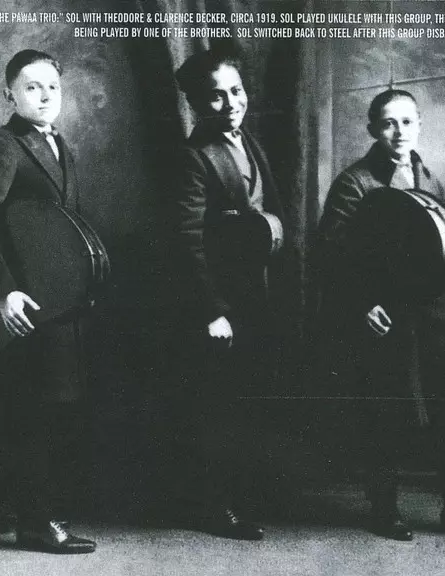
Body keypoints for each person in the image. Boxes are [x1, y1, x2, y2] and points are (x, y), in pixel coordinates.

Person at [317, 89, 445, 541]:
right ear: (373, 129)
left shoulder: (425, 176)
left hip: (435, 310)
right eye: (389, 123)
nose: (399, 132)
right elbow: (332, 256)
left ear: (418, 126)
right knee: (389, 410)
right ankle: (384, 509)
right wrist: (362, 305)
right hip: (388, 312)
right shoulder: (354, 183)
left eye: (408, 122)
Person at [0, 49, 100, 553]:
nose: (44, 96)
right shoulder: (2, 146)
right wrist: (2, 291)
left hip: (59, 302)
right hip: (25, 302)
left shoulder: (59, 145)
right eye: (32, 87)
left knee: (52, 406)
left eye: (52, 87)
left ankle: (21, 509)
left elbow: (61, 226)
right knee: (34, 410)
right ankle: (38, 524)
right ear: (9, 95)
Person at [168, 48, 284, 540]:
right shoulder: (193, 156)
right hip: (218, 304)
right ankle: (216, 508)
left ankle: (242, 496)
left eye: (236, 91)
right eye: (216, 96)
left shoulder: (247, 141)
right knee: (217, 405)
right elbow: (186, 239)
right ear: (197, 104)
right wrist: (212, 311)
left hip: (253, 295)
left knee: (245, 399)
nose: (231, 102)